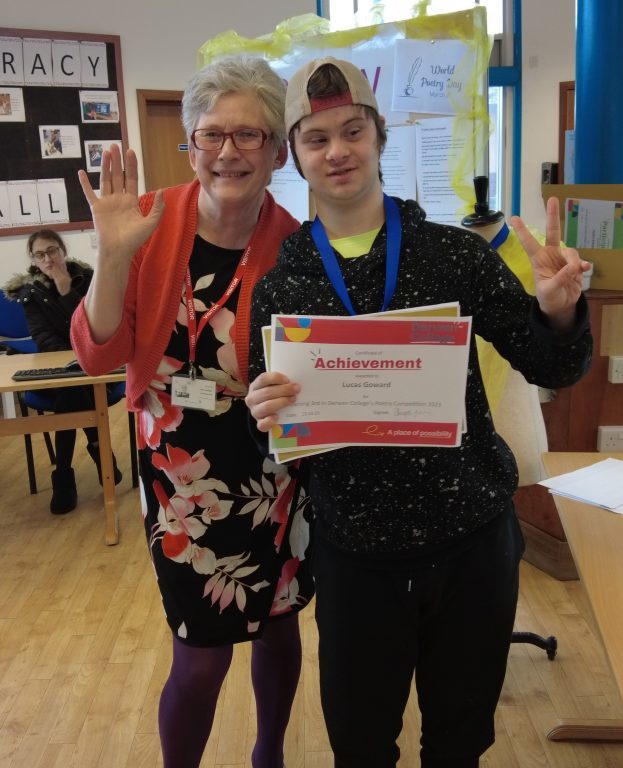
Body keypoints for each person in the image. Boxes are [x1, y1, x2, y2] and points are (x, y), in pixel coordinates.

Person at [245, 57, 593, 768]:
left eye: (351, 131)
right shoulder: (282, 282)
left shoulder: (453, 256)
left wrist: (558, 311)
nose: (337, 151)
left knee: (461, 738)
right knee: (361, 742)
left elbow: (552, 365)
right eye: (316, 139)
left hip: (470, 541)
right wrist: (262, 404)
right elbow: (278, 427)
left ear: (377, 135)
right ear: (296, 156)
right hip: (354, 551)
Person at [70, 56, 314, 768]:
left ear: (276, 150)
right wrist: (111, 258)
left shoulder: (298, 245)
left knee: (277, 625)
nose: (228, 152)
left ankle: (268, 753)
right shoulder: (147, 223)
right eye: (211, 135)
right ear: (190, 142)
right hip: (182, 472)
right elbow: (94, 355)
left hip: (274, 469)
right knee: (200, 654)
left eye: (250, 135)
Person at [3, 229, 122, 514]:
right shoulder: (29, 294)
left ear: (63, 250)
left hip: (95, 368)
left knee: (71, 395)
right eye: (40, 255)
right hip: (56, 372)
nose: (48, 259)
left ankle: (64, 477)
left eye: (52, 251)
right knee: (71, 390)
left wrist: (67, 290)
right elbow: (43, 340)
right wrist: (74, 354)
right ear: (34, 259)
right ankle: (100, 452)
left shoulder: (89, 280)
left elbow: (95, 327)